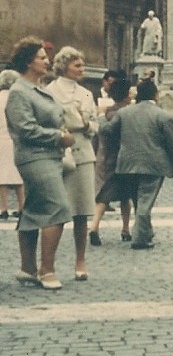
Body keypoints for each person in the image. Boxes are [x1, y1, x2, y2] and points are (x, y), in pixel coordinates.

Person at [4, 37, 75, 290]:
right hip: (35, 157)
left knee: (33, 209)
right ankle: (47, 270)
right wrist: (58, 136)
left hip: (48, 156)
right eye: (42, 57)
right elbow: (24, 129)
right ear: (27, 61)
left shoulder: (40, 89)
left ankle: (27, 269)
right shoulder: (19, 92)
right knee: (58, 208)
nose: (47, 61)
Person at [99, 79, 173, 250]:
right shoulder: (163, 116)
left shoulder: (125, 113)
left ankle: (146, 232)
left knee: (139, 201)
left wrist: (101, 116)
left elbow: (108, 130)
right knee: (145, 202)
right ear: (156, 95)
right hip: (153, 164)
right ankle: (140, 239)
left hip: (127, 164)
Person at [46, 47, 98, 281]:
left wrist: (86, 125)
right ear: (64, 66)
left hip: (83, 154)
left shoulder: (87, 93)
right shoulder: (49, 91)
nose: (82, 69)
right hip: (58, 154)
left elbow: (96, 125)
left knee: (82, 213)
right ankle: (49, 264)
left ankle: (80, 260)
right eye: (77, 65)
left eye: (83, 65)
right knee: (54, 213)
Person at [88, 78, 134, 246]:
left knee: (103, 196)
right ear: (126, 95)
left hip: (103, 156)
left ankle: (94, 226)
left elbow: (97, 135)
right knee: (125, 197)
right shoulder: (127, 113)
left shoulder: (106, 112)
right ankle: (125, 229)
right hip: (122, 158)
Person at [0, 70, 26, 220]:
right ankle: (22, 207)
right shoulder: (16, 98)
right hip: (15, 140)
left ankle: (3, 208)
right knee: (18, 175)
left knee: (1, 175)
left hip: (0, 139)